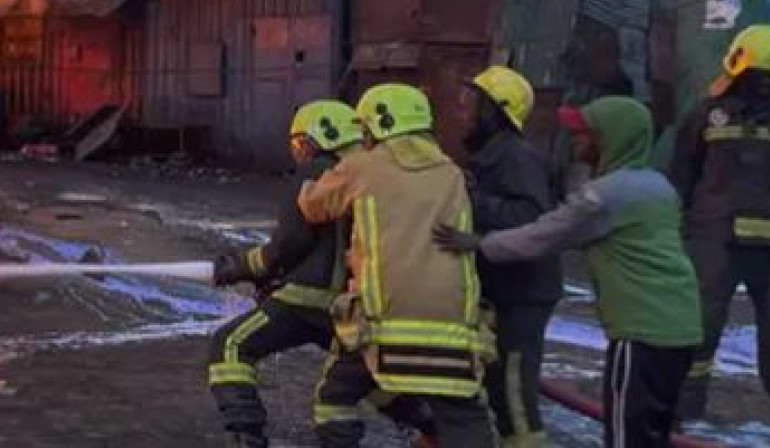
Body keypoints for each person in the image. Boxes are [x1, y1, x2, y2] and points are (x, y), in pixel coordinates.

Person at [435, 97, 702, 447]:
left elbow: (541, 236)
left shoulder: (603, 197)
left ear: (610, 139)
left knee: (627, 436)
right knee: (653, 432)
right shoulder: (658, 186)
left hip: (642, 331)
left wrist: (479, 244)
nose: (575, 141)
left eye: (584, 134)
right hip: (681, 323)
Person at [209, 100, 430, 447]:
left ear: (318, 138)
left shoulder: (320, 172)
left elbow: (291, 240)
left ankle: (245, 436)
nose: (299, 153)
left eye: (299, 143)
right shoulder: (377, 174)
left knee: (230, 346)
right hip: (359, 306)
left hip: (309, 300)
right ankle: (430, 426)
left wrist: (242, 266)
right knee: (367, 378)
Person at [298, 83, 497, 448]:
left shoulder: (363, 166)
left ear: (378, 125)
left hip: (383, 325)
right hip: (455, 331)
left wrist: (310, 174)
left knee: (335, 398)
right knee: (463, 415)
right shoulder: (451, 172)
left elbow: (313, 206)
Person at [668, 24, 770, 420]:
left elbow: (682, 175)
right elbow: (682, 174)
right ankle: (684, 409)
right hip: (714, 240)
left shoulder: (708, 113)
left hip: (714, 238)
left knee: (699, 325)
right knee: (698, 328)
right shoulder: (706, 116)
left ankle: (683, 409)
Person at [461, 66, 562, 447]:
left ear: (494, 111)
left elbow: (531, 219)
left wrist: (472, 203)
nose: (461, 113)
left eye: (470, 105)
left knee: (515, 393)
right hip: (505, 291)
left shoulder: (516, 157)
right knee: (498, 387)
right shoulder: (492, 154)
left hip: (523, 294)